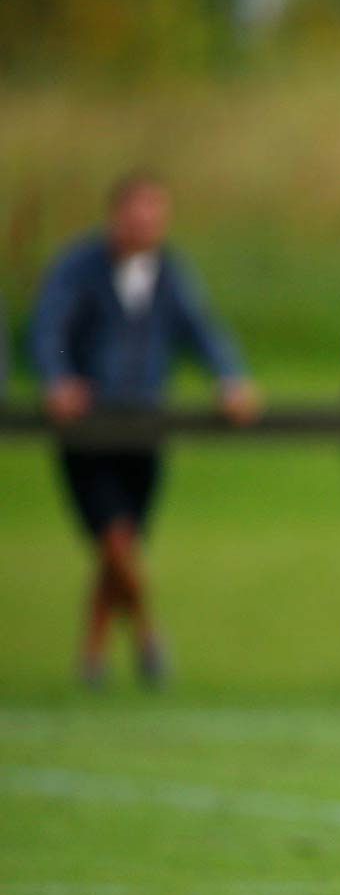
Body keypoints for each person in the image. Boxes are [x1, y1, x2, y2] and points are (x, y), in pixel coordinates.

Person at [31, 169, 258, 689]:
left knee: (123, 542)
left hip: (146, 424)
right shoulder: (78, 269)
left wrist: (230, 378)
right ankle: (150, 635)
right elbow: (47, 329)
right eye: (136, 212)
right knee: (114, 538)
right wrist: (58, 379)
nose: (145, 223)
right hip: (89, 427)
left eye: (155, 213)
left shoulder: (169, 273)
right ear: (116, 215)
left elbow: (202, 330)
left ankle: (92, 655)